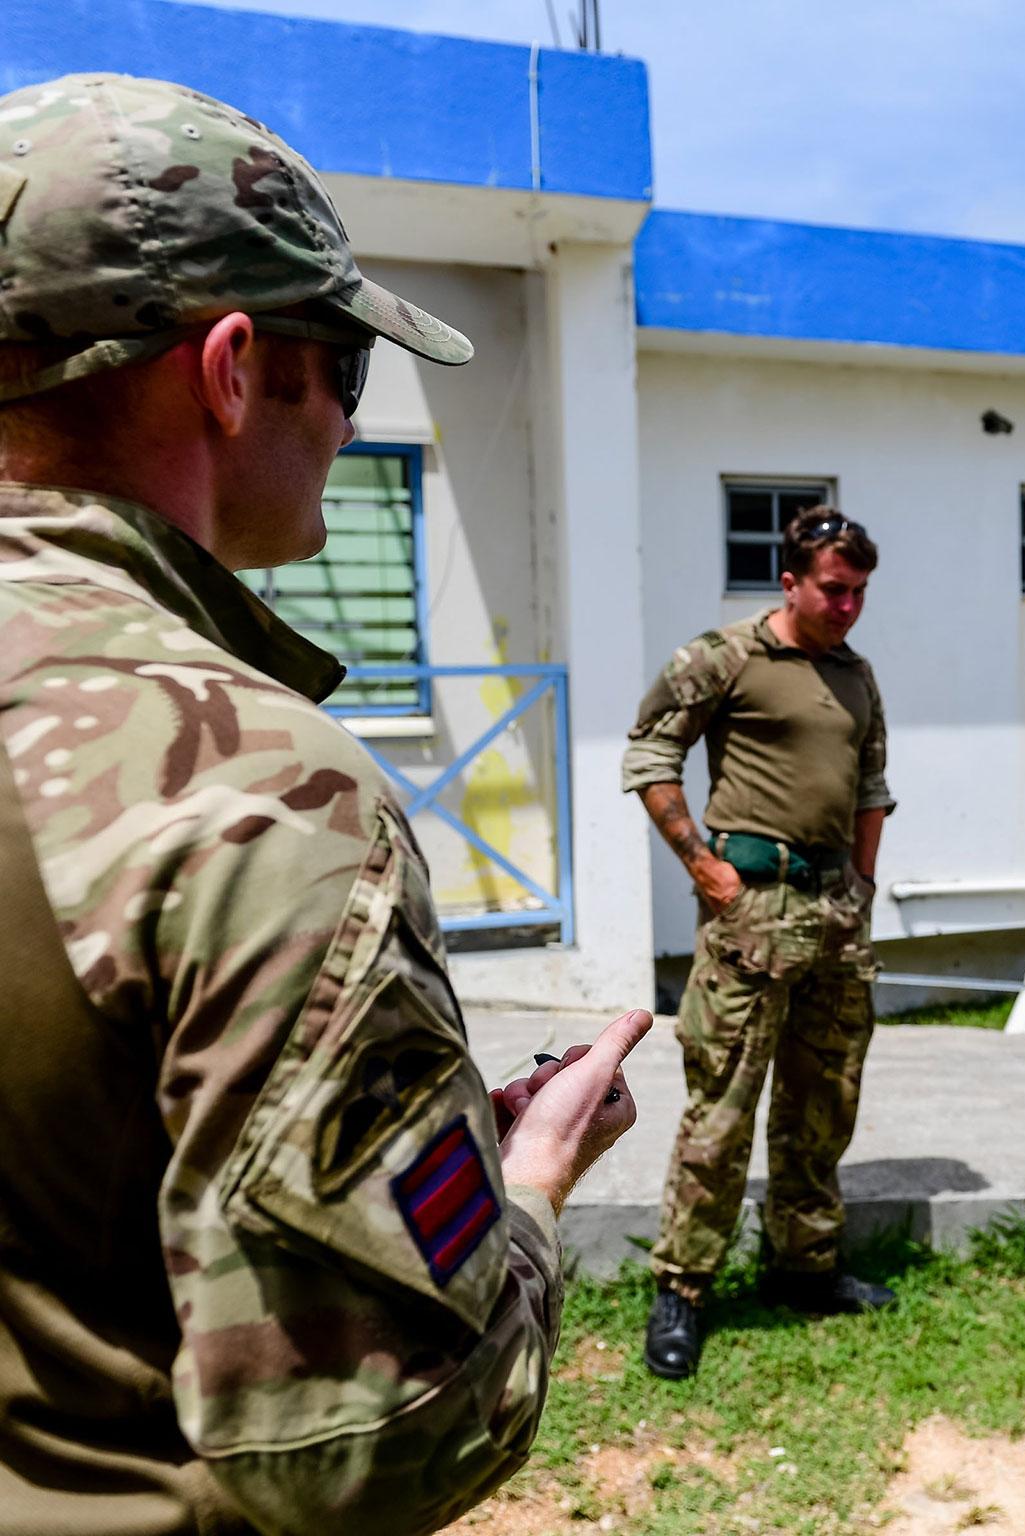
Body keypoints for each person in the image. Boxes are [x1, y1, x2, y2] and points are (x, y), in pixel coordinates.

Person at [0, 73, 650, 1536]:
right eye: (345, 367)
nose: (351, 426)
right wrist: (526, 1193)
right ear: (230, 370)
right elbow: (371, 1439)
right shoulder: (250, 787)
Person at [623, 506, 896, 1381]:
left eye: (859, 591)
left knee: (823, 1104)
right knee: (724, 1108)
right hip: (751, 912)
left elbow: (871, 788)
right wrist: (702, 868)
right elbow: (650, 755)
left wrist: (861, 885)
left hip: (834, 918)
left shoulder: (856, 675)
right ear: (790, 582)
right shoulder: (725, 657)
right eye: (834, 589)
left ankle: (805, 1268)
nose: (849, 605)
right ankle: (685, 1289)